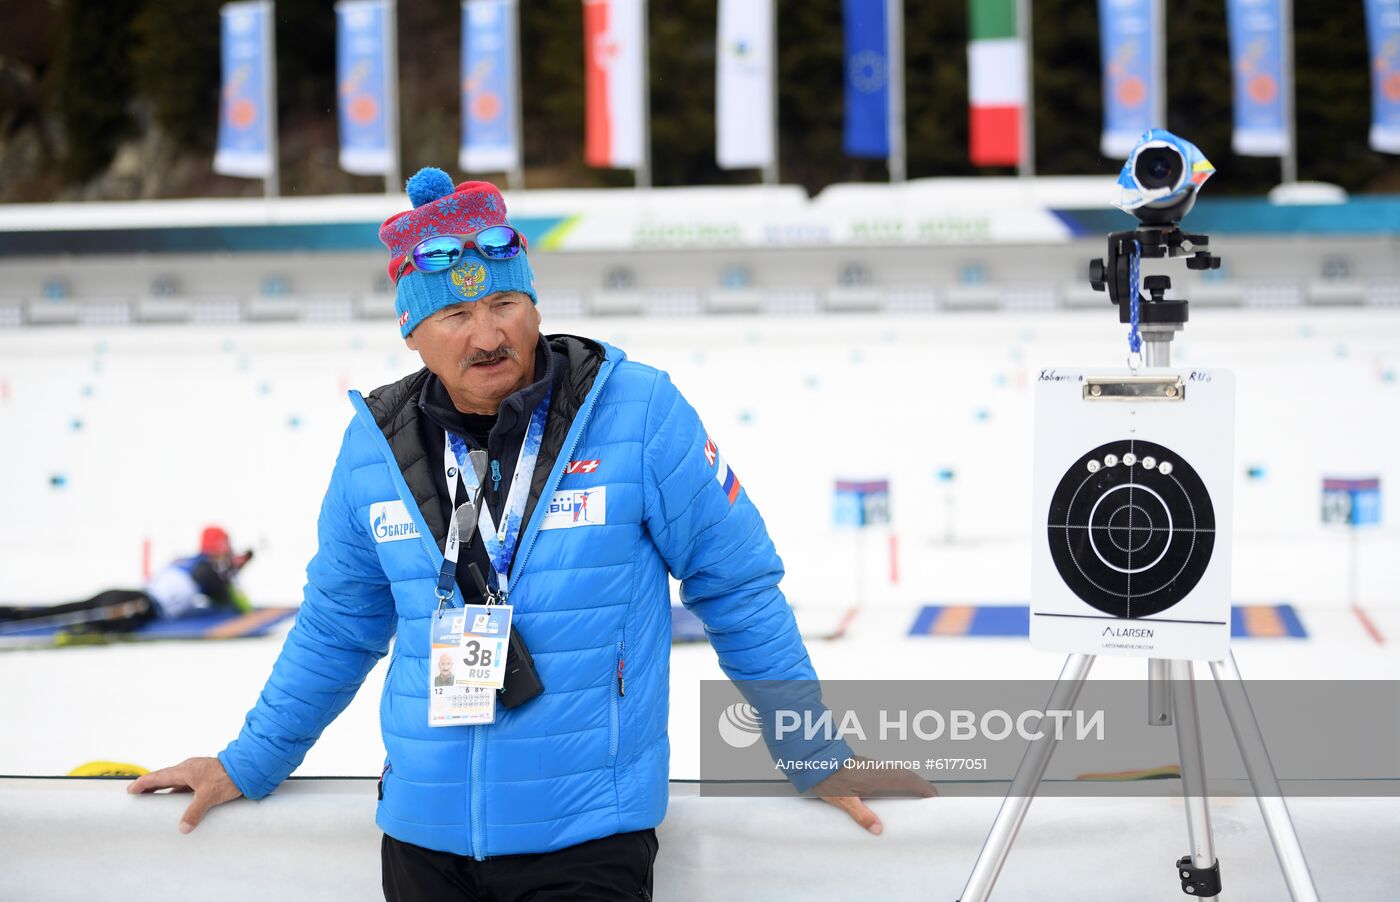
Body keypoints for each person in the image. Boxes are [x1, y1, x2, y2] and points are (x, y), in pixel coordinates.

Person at [130, 170, 931, 900]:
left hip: (585, 842)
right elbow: (340, 625)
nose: (487, 334)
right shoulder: (374, 444)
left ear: (536, 307)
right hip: (423, 843)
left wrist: (813, 751)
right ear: (413, 332)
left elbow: (736, 585)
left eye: (504, 304)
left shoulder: (637, 411)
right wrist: (248, 762)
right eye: (455, 313)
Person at [0, 526, 252, 635]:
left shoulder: (187, 561)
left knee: (62, 609)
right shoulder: (206, 571)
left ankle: (12, 613)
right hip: (135, 605)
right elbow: (236, 605)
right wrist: (231, 572)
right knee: (66, 617)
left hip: (127, 595)